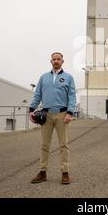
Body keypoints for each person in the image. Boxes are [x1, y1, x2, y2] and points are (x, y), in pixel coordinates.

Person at [29, 52, 76, 185]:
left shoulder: (68, 77)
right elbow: (37, 94)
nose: (56, 61)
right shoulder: (43, 77)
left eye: (58, 59)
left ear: (62, 61)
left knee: (64, 145)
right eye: (54, 59)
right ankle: (42, 172)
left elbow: (72, 96)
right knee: (44, 145)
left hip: (62, 115)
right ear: (51, 61)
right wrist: (31, 110)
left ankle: (65, 173)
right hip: (46, 115)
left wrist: (70, 113)